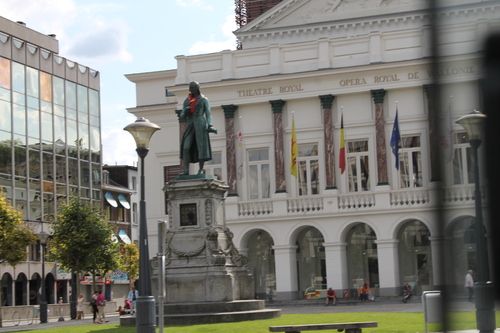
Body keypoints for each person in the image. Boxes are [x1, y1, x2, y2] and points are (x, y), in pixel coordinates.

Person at [179, 81, 217, 175]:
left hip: (200, 123)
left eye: (193, 88)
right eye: (190, 88)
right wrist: (185, 112)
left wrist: (210, 125)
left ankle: (200, 170)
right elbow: (182, 117)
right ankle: (186, 170)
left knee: (201, 147)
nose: (191, 90)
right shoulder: (187, 101)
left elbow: (208, 113)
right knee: (186, 147)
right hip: (190, 123)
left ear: (197, 88)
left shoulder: (203, 99)